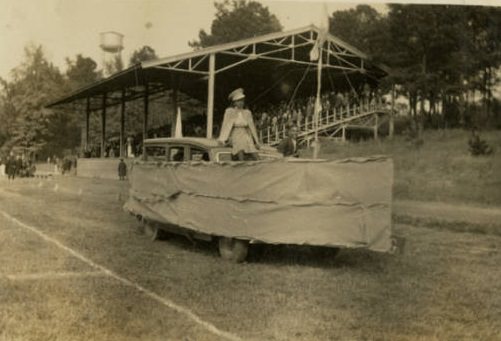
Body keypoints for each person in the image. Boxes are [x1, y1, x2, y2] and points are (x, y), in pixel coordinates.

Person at [218, 88, 260, 161]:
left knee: (255, 155)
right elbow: (225, 126)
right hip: (236, 135)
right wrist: (223, 139)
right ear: (234, 102)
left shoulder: (247, 112)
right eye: (238, 101)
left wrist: (256, 141)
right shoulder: (229, 111)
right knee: (240, 152)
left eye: (242, 101)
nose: (241, 103)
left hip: (246, 136)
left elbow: (252, 128)